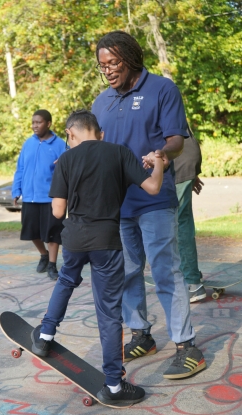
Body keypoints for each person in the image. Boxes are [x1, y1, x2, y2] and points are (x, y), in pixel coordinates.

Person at [91, 30, 206, 379]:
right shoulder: (101, 102)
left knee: (164, 270)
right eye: (102, 65)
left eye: (113, 63)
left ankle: (187, 347)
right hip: (116, 203)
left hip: (154, 198)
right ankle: (141, 334)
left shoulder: (161, 89)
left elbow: (176, 140)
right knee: (126, 272)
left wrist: (160, 153)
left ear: (130, 57)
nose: (108, 70)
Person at [31, 109, 164, 406]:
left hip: (75, 239)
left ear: (71, 133)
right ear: (99, 132)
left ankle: (45, 336)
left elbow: (56, 211)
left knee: (65, 281)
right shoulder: (120, 153)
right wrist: (158, 165)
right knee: (108, 313)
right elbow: (153, 187)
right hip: (107, 241)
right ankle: (114, 386)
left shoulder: (65, 159)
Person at [12, 109, 66, 280]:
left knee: (52, 232)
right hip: (29, 197)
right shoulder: (28, 144)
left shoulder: (60, 145)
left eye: (39, 122)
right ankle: (43, 255)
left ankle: (52, 264)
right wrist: (16, 190)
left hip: (50, 198)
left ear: (48, 123)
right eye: (33, 122)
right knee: (31, 232)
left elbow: (66, 172)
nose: (35, 126)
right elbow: (20, 168)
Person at [175, 128, 206, 303]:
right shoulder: (168, 99)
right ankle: (191, 272)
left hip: (177, 160)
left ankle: (192, 282)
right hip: (184, 156)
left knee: (179, 221)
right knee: (183, 219)